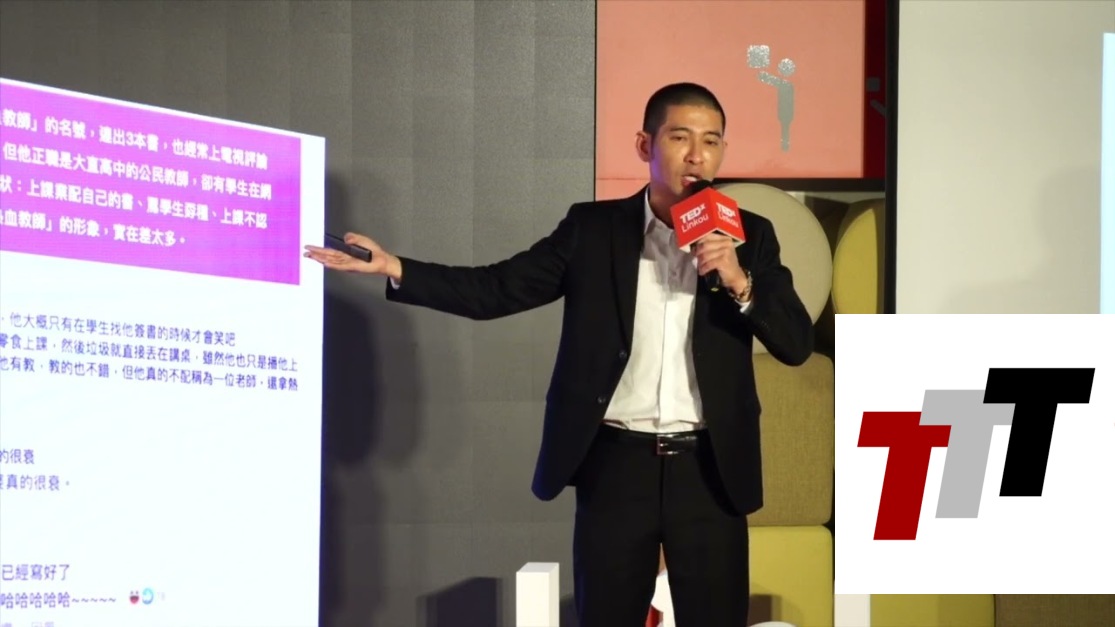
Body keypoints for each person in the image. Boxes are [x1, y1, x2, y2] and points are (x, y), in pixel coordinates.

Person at [304, 82, 813, 627]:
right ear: (645, 145)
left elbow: (795, 344)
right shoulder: (592, 231)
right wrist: (395, 267)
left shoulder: (750, 237)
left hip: (709, 470)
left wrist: (739, 280)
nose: (697, 155)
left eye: (711, 141)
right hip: (616, 466)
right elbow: (496, 289)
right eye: (680, 137)